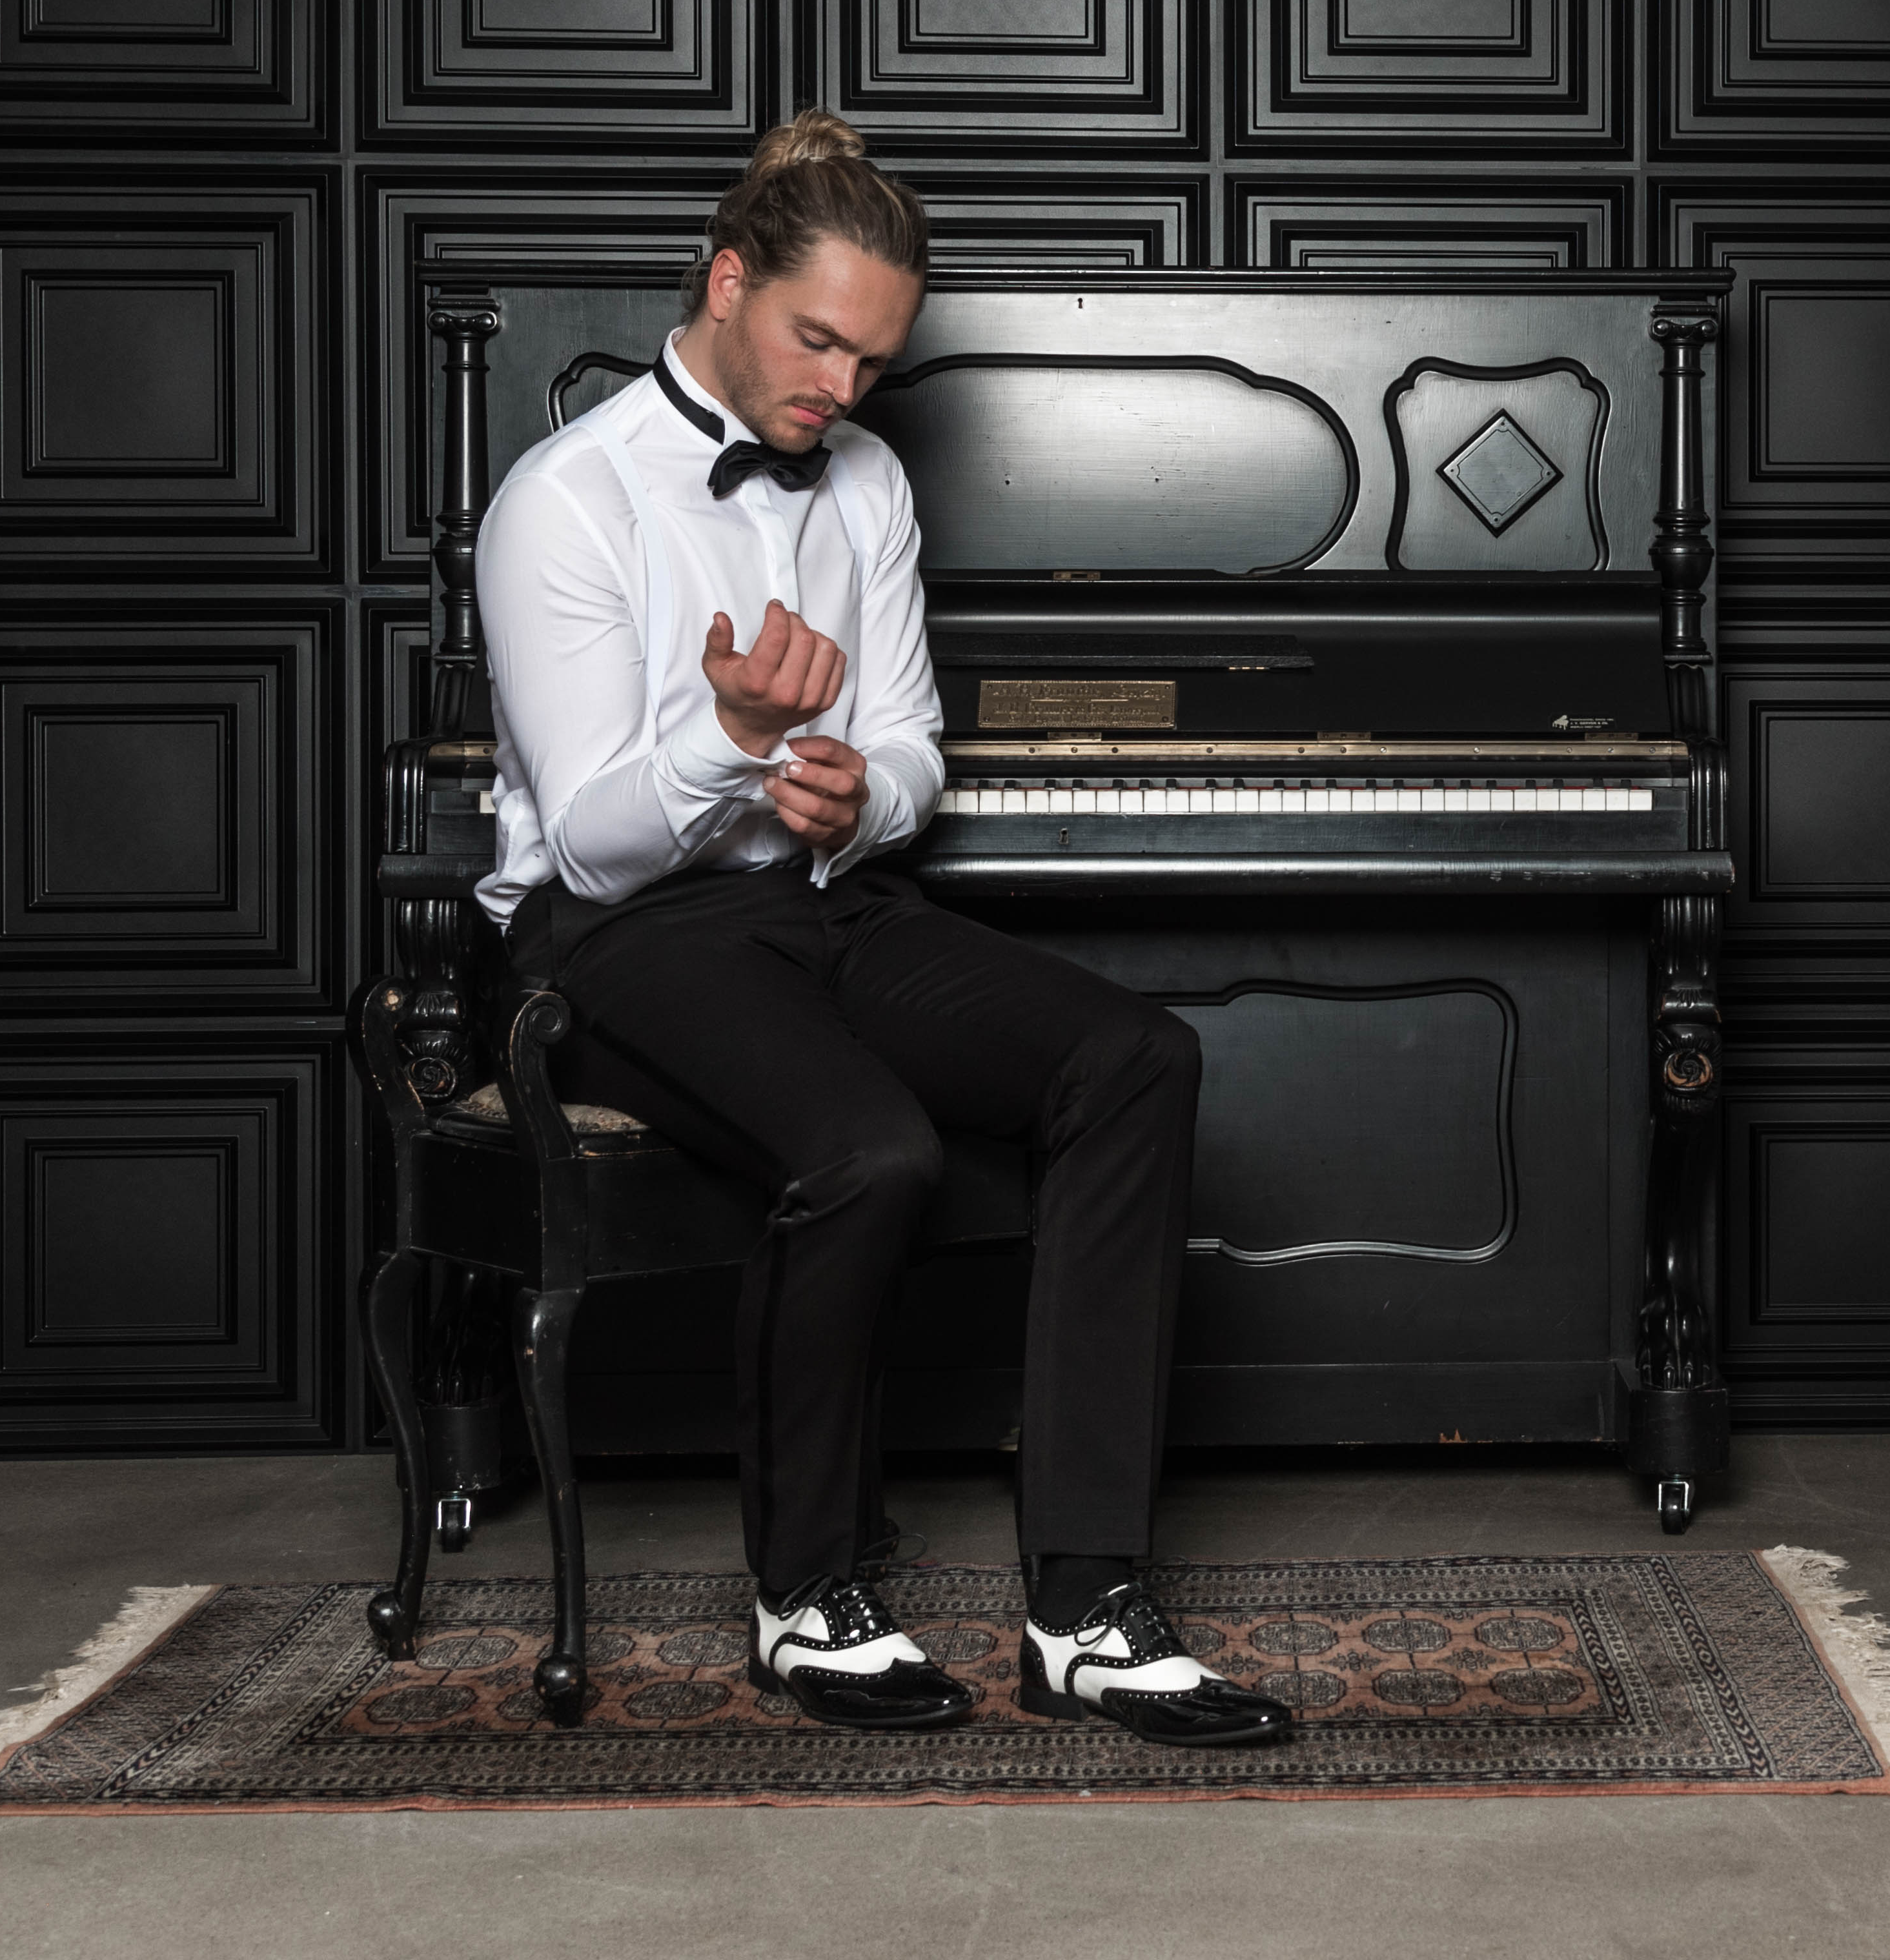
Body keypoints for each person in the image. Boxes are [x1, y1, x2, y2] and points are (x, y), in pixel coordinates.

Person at [474, 110, 1295, 1746]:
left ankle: (1084, 1608)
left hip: (819, 896)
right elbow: (591, 841)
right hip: (618, 936)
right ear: (726, 282)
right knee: (870, 1151)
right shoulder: (564, 501)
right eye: (816, 341)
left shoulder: (865, 481)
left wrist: (861, 796)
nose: (840, 388)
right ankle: (808, 1595)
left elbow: (914, 748)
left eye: (871, 360)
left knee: (1133, 1057)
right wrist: (729, 737)